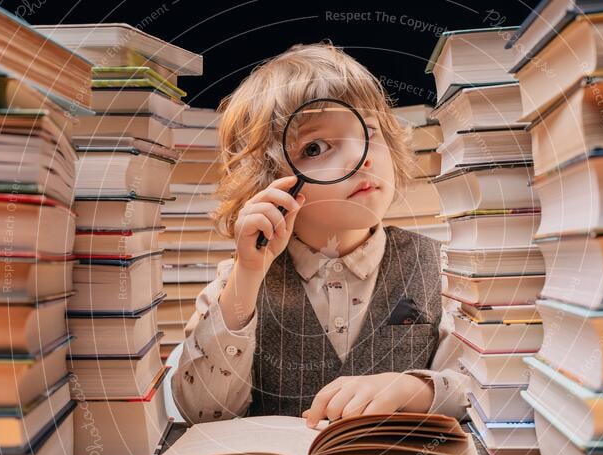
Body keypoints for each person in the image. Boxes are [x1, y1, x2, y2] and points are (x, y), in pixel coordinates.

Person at [172, 41, 469, 428]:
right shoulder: (239, 281)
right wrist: (246, 277)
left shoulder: (443, 271)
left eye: (370, 132)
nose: (361, 157)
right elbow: (202, 411)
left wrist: (417, 390)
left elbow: (485, 389)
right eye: (316, 147)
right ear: (270, 184)